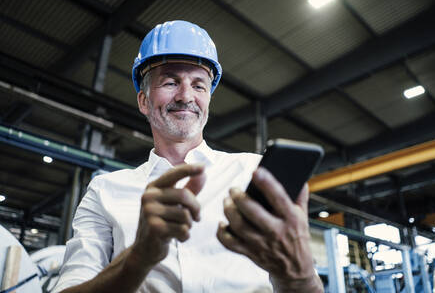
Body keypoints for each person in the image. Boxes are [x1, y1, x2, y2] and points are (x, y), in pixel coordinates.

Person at [53, 20, 323, 293]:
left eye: (199, 86)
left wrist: (297, 277)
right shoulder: (104, 191)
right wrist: (137, 259)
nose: (185, 96)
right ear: (144, 101)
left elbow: (306, 283)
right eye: (170, 82)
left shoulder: (255, 173)